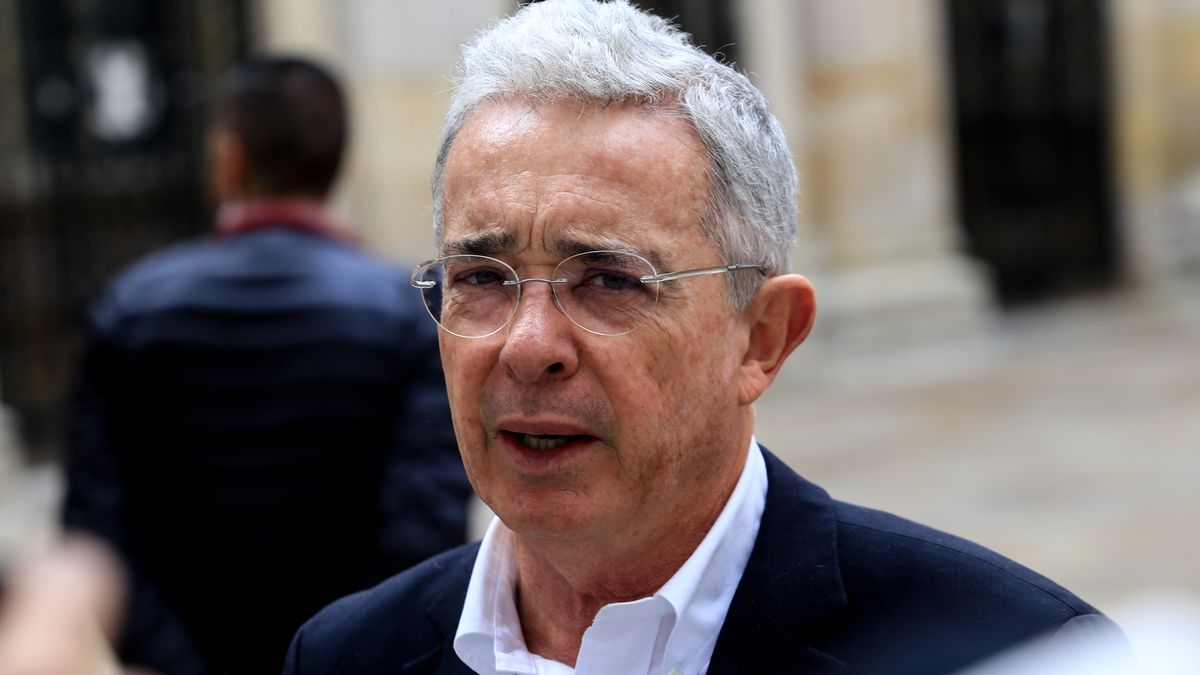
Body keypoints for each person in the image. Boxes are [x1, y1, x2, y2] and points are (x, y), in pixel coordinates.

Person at [284, 2, 1119, 674]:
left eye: (608, 280)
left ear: (762, 338)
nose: (528, 345)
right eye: (480, 278)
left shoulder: (1012, 650)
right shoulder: (344, 652)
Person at [58, 56, 472, 675]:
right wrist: (345, 648)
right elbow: (424, 524)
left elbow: (95, 533)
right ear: (338, 162)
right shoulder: (404, 315)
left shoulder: (131, 308)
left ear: (229, 159)